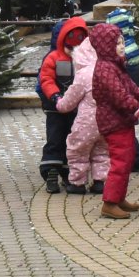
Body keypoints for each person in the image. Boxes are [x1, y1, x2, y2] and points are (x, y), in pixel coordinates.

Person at [91, 24, 139, 219]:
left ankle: (118, 197)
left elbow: (133, 89)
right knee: (120, 161)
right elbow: (119, 96)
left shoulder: (115, 65)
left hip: (122, 121)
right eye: (116, 43)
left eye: (122, 42)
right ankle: (109, 203)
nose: (121, 46)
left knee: (127, 159)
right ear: (105, 46)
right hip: (113, 122)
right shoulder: (105, 69)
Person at [37, 17, 91, 192]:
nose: (72, 52)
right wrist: (54, 96)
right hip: (55, 108)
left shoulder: (84, 60)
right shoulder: (54, 58)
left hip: (76, 109)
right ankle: (51, 171)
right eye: (69, 48)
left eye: (76, 49)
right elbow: (46, 79)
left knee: (72, 140)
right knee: (55, 139)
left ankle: (70, 173)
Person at [57, 34, 109, 195]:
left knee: (78, 150)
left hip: (86, 123)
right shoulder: (109, 70)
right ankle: (100, 181)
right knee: (102, 151)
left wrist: (60, 103)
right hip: (107, 122)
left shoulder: (84, 74)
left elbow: (70, 99)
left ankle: (77, 183)